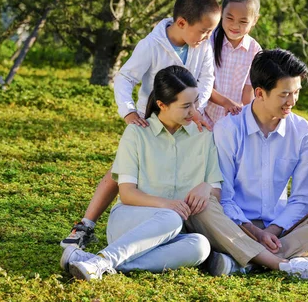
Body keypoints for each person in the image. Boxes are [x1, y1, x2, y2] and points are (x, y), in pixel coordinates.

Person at [61, 0, 221, 250]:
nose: (206, 37)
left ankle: (167, 225)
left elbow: (207, 80)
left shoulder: (200, 46)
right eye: (203, 31)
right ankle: (86, 224)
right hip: (150, 118)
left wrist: (195, 109)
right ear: (181, 23)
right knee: (122, 170)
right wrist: (128, 111)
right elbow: (125, 78)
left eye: (209, 33)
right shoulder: (151, 45)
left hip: (184, 115)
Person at [185, 49, 308, 284]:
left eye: (296, 93)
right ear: (260, 93)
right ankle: (280, 264)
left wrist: (271, 232)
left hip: (279, 231)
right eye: (284, 94)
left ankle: (241, 262)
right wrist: (255, 233)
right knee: (201, 207)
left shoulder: (304, 134)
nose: (292, 102)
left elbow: (302, 199)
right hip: (233, 225)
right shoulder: (228, 129)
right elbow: (226, 198)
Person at [60, 66, 223, 280]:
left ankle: (98, 262)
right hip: (130, 222)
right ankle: (103, 261)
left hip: (173, 231)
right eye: (186, 106)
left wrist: (206, 187)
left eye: (196, 102)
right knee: (172, 217)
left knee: (200, 246)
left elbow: (216, 193)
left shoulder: (203, 135)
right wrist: (168, 205)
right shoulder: (137, 133)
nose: (194, 111)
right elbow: (127, 194)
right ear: (162, 105)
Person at [205, 0, 262, 126]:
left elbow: (248, 92)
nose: (235, 26)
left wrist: (250, 119)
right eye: (230, 18)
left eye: (243, 21)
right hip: (202, 120)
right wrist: (226, 102)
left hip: (233, 124)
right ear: (221, 12)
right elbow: (200, 84)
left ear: (255, 20)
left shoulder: (254, 50)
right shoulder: (207, 41)